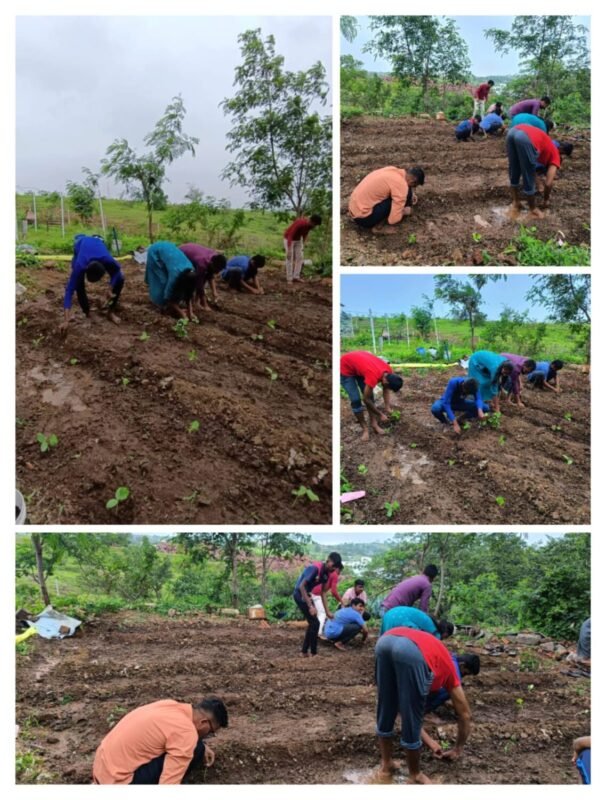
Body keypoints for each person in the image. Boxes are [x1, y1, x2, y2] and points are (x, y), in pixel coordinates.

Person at [375, 627, 472, 784]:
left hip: (385, 641)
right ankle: (415, 774)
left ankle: (386, 764)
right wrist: (458, 749)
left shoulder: (441, 658)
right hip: (411, 651)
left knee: (386, 707)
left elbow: (398, 708)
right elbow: (465, 714)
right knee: (413, 713)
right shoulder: (451, 673)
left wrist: (431, 743)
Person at [92, 697, 228, 784]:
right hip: (119, 782)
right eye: (210, 732)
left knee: (197, 746)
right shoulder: (186, 733)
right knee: (194, 748)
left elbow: (176, 734)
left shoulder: (170, 705)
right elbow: (168, 783)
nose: (208, 736)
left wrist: (202, 746)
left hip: (102, 770)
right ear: (204, 722)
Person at [61, 234, 124, 335]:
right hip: (81, 245)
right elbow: (69, 291)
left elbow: (117, 270)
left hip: (98, 246)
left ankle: (110, 312)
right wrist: (66, 320)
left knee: (120, 279)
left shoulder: (107, 259)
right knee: (78, 283)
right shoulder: (80, 265)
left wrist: (110, 287)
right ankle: (87, 311)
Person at [506, 123, 568, 218]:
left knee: (514, 169)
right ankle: (533, 209)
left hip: (512, 131)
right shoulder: (556, 156)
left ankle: (515, 202)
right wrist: (546, 199)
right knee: (528, 174)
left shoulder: (550, 146)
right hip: (525, 137)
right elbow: (548, 183)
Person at [340, 351, 403, 441]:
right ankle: (365, 429)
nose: (387, 388)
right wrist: (380, 414)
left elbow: (386, 389)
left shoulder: (388, 372)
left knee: (371, 396)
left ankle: (374, 425)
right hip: (345, 367)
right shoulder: (373, 376)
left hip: (360, 365)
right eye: (388, 387)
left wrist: (387, 407)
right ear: (385, 381)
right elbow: (365, 399)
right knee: (356, 400)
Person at [348, 166, 425, 235]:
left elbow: (402, 187)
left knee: (405, 194)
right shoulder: (401, 185)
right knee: (397, 203)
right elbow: (393, 220)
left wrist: (411, 194)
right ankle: (379, 227)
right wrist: (404, 211)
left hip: (354, 207)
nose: (413, 188)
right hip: (364, 218)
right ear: (412, 181)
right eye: (414, 186)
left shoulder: (392, 170)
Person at [292, 553, 343, 657]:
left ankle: (305, 652)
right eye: (332, 567)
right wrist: (310, 606)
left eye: (335, 568)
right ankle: (313, 653)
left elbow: (323, 592)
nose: (333, 570)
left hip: (307, 595)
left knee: (313, 623)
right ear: (328, 561)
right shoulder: (315, 569)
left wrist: (327, 611)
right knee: (315, 623)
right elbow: (302, 587)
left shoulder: (326, 574)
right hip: (299, 594)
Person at [145, 241, 197, 319]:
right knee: (162, 282)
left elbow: (188, 294)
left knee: (174, 289)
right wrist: (181, 313)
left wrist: (190, 312)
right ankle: (160, 305)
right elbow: (168, 297)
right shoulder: (175, 275)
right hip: (155, 251)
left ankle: (170, 307)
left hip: (169, 251)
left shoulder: (192, 271)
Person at [178, 243, 226, 311]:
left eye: (219, 270)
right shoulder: (202, 264)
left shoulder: (214, 257)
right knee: (191, 278)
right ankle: (184, 299)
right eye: (217, 270)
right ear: (212, 264)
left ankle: (196, 302)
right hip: (181, 255)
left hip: (194, 254)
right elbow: (200, 285)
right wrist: (205, 305)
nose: (218, 272)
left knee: (203, 277)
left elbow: (210, 275)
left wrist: (215, 293)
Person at [283, 214, 321, 284]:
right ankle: (289, 278)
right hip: (289, 239)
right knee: (289, 258)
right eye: (315, 225)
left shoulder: (310, 226)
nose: (315, 227)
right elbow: (290, 235)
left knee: (300, 258)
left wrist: (302, 245)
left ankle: (296, 277)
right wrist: (289, 250)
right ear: (312, 222)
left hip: (298, 240)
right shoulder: (300, 223)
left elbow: (305, 234)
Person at [380, 605, 454, 639]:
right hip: (400, 621)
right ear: (446, 633)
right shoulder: (436, 633)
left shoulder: (430, 621)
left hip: (389, 614)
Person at [311, 564, 342, 636]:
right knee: (322, 613)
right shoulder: (334, 575)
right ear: (337, 568)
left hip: (313, 591)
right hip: (317, 594)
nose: (339, 573)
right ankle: (317, 633)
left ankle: (314, 631)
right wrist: (341, 601)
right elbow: (334, 591)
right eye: (340, 571)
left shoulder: (328, 572)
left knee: (318, 613)